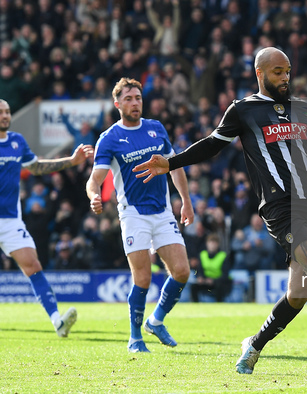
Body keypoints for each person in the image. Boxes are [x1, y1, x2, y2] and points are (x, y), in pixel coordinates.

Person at [133, 47, 307, 373]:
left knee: (298, 292)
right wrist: (171, 162)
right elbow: (213, 144)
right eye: (277, 72)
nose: (285, 78)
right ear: (260, 73)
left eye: (287, 71)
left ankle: (254, 345)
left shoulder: (301, 109)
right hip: (279, 206)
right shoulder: (242, 110)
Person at [86, 78, 194, 353]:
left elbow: (175, 166)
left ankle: (155, 321)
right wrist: (94, 196)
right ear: (117, 103)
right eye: (129, 99)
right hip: (133, 213)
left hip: (162, 210)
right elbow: (94, 179)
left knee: (182, 271)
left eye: (138, 98)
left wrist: (186, 201)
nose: (135, 103)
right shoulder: (109, 138)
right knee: (142, 278)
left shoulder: (155, 128)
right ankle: (135, 337)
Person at [0, 99, 93, 337]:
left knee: (33, 265)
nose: (5, 116)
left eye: (7, 112)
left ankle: (57, 322)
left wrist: (70, 162)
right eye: (0, 112)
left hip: (10, 221)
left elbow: (37, 167)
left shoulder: (16, 141)